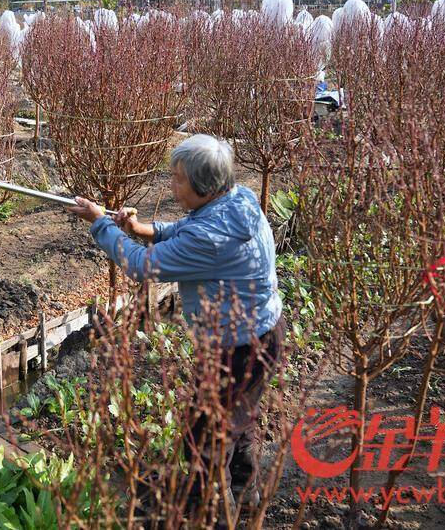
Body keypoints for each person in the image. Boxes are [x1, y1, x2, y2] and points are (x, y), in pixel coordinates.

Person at [67, 133, 286, 508]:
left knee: (204, 441)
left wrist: (101, 224)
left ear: (203, 186)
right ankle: (244, 498)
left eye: (178, 178)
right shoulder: (239, 199)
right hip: (262, 334)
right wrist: (140, 230)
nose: (172, 184)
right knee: (238, 424)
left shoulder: (210, 238)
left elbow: (140, 266)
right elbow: (188, 227)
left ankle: (213, 514)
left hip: (238, 348)